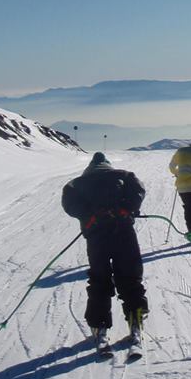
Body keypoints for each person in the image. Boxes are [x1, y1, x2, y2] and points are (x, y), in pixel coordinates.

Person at [62, 152, 148, 354]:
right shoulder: (124, 175)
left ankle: (99, 328)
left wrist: (88, 215)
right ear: (108, 166)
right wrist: (128, 208)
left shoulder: (77, 183)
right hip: (124, 232)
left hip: (97, 236)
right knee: (130, 277)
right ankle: (135, 323)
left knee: (100, 279)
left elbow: (69, 202)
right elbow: (138, 189)